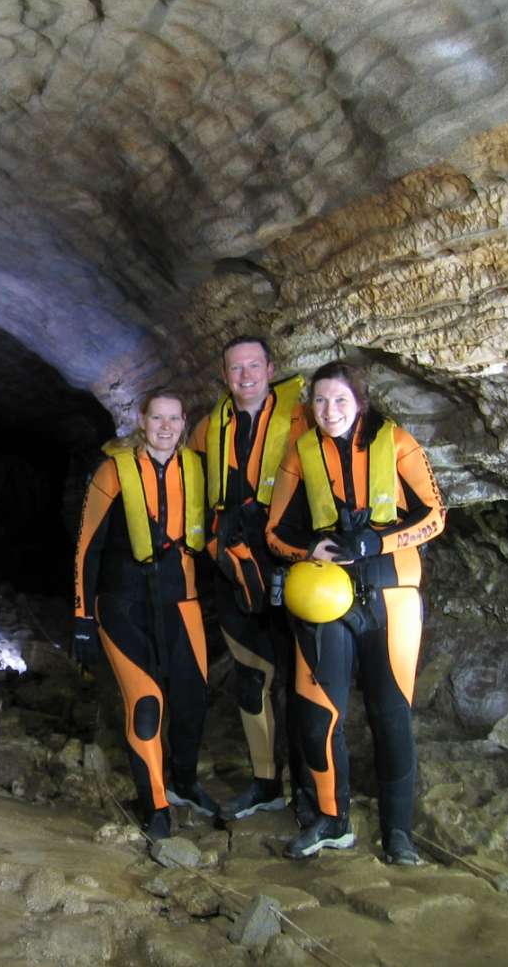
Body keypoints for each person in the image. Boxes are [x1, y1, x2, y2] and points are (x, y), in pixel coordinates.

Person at [265, 361, 445, 864]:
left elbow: (434, 515)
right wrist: (309, 550)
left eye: (340, 400)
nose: (330, 411)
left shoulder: (398, 442)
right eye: (320, 401)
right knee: (321, 715)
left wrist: (374, 541)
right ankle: (331, 820)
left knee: (391, 717)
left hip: (392, 597)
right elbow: (276, 532)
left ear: (359, 402)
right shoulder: (301, 453)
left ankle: (399, 833)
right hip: (329, 600)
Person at [73, 390, 219, 839]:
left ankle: (185, 782)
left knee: (192, 701)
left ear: (183, 422)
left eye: (174, 418)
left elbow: (217, 533)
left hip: (181, 603)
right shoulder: (112, 471)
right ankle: (155, 804)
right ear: (142, 420)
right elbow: (87, 547)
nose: (166, 426)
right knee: (146, 705)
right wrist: (82, 619)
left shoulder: (197, 470)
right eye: (157, 417)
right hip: (123, 605)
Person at [189, 336, 310, 823]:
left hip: (288, 560)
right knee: (249, 676)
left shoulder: (301, 419)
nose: (245, 376)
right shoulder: (207, 428)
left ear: (270, 368)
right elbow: (184, 480)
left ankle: (308, 786)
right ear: (224, 376)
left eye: (253, 366)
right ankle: (265, 783)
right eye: (235, 369)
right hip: (233, 566)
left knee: (302, 678)